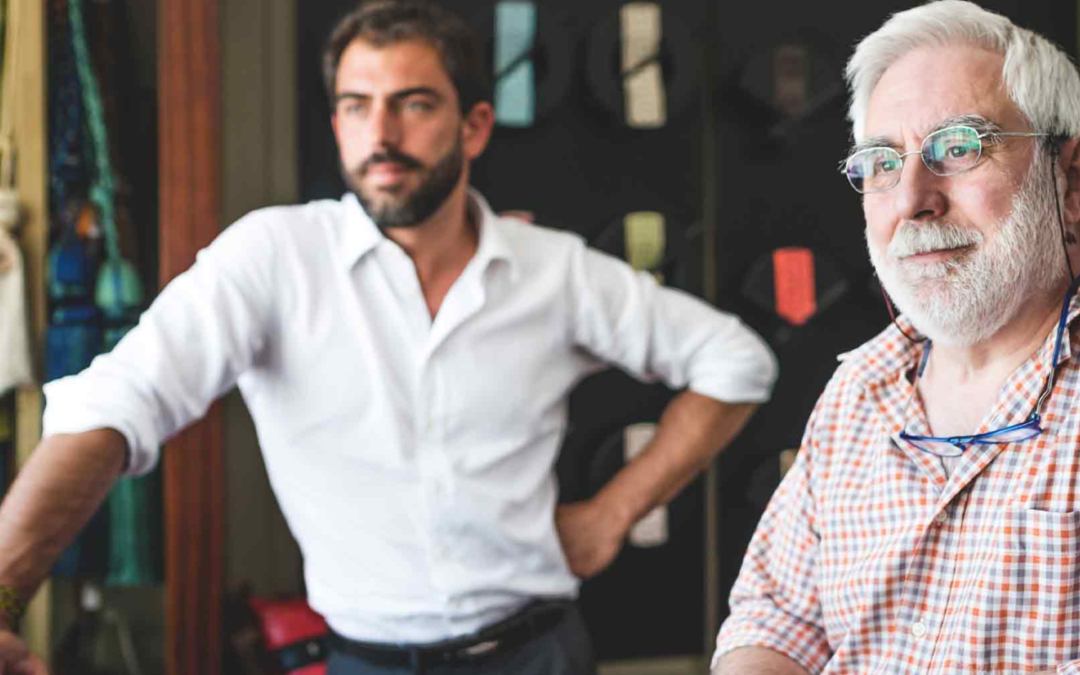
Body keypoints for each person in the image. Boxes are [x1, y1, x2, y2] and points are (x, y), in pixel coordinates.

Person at [0, 1, 778, 673]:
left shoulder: (557, 271)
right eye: (354, 104)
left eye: (413, 103)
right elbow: (116, 401)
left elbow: (737, 361)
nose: (380, 133)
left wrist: (613, 513)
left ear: (474, 126)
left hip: (540, 650)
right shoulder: (274, 256)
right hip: (363, 657)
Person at [712, 2, 1080, 674]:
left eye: (961, 147)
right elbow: (780, 613)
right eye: (882, 161)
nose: (912, 198)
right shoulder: (863, 388)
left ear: (1072, 179)